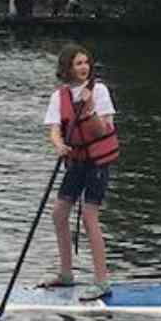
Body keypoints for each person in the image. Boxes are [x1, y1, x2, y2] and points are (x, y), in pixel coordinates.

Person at [39, 44, 119, 300]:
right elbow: (53, 129)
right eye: (78, 64)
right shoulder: (59, 97)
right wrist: (59, 145)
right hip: (76, 161)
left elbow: (103, 130)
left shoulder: (100, 91)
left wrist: (89, 109)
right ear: (67, 69)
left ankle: (102, 281)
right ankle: (66, 274)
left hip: (97, 162)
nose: (84, 67)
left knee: (88, 216)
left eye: (86, 62)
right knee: (58, 214)